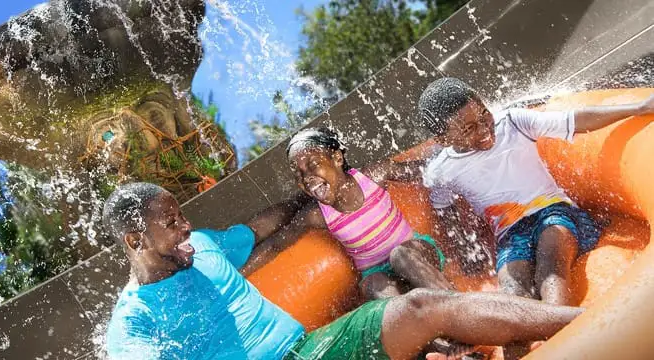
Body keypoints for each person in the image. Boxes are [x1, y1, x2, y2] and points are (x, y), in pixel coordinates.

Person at [103, 182, 584, 360]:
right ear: (134, 241)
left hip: (315, 348)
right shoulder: (134, 321)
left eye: (181, 215)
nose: (185, 227)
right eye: (171, 223)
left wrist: (305, 198)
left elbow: (260, 227)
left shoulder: (204, 245)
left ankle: (581, 321)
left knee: (419, 305)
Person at [417, 77, 654, 358]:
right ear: (443, 140)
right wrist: (465, 251)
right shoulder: (440, 171)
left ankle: (567, 343)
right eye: (469, 129)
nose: (483, 129)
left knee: (550, 263)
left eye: (483, 115)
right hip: (511, 236)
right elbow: (444, 210)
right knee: (513, 290)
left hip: (556, 212)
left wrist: (639, 107)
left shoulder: (513, 124)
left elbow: (575, 120)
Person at [242, 126, 455, 301]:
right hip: (379, 275)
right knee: (372, 285)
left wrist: (456, 149)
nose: (306, 177)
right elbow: (275, 245)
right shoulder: (316, 215)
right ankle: (430, 336)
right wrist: (237, 275)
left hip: (417, 255)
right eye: (298, 174)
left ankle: (455, 306)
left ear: (337, 158)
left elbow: (429, 171)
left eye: (313, 165)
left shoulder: (374, 176)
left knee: (400, 255)